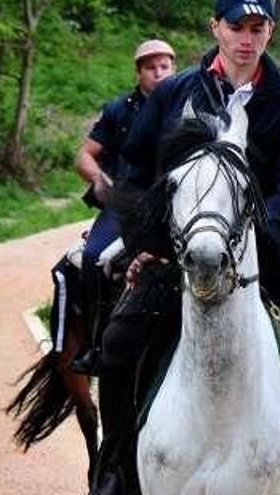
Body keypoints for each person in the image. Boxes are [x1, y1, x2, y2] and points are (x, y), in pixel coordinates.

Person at [91, 1, 280, 494]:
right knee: (119, 341)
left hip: (261, 252)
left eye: (257, 28)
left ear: (270, 31)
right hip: (179, 251)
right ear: (216, 27)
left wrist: (254, 236)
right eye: (236, 26)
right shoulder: (173, 93)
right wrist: (156, 241)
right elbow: (134, 172)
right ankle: (115, 466)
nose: (245, 39)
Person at [69, 39, 177, 375]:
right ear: (138, 72)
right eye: (150, 68)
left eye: (164, 67)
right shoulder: (118, 110)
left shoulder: (187, 103)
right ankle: (94, 343)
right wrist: (103, 181)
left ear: (173, 67)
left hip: (174, 200)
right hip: (126, 201)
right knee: (92, 257)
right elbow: (84, 155)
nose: (158, 74)